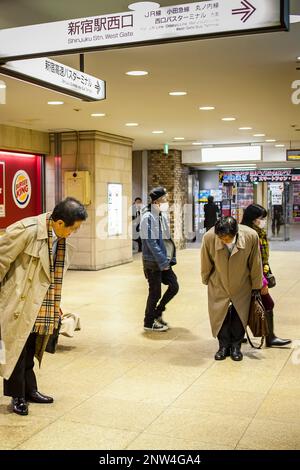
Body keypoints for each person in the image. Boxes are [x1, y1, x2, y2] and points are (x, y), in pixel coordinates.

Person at [0, 197, 88, 415]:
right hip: (18, 299)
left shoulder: (58, 237)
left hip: (40, 300)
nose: (73, 232)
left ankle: (30, 389)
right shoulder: (27, 230)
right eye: (73, 228)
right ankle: (17, 395)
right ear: (59, 223)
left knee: (31, 344)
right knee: (17, 348)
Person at [201, 216, 263, 361]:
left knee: (239, 315)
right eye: (221, 238)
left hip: (242, 283)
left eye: (227, 239)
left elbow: (255, 262)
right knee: (219, 315)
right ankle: (223, 346)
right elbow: (206, 261)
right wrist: (206, 279)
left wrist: (256, 286)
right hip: (219, 281)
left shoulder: (251, 236)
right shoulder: (209, 237)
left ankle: (236, 346)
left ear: (236, 233)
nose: (224, 241)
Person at [242, 204, 291, 347]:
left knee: (245, 306)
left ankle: (237, 335)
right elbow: (252, 261)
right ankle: (270, 338)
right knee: (265, 303)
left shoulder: (259, 232)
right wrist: (262, 282)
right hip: (251, 276)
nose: (263, 220)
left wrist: (267, 272)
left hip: (260, 273)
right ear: (252, 219)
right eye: (260, 218)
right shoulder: (249, 234)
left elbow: (263, 259)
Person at [140, 187, 179, 332]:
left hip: (163, 260)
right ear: (156, 201)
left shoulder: (160, 215)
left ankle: (157, 312)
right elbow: (151, 242)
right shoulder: (147, 217)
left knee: (174, 286)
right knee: (155, 292)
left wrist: (168, 259)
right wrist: (163, 262)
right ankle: (148, 322)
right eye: (164, 199)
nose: (166, 202)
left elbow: (165, 239)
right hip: (153, 262)